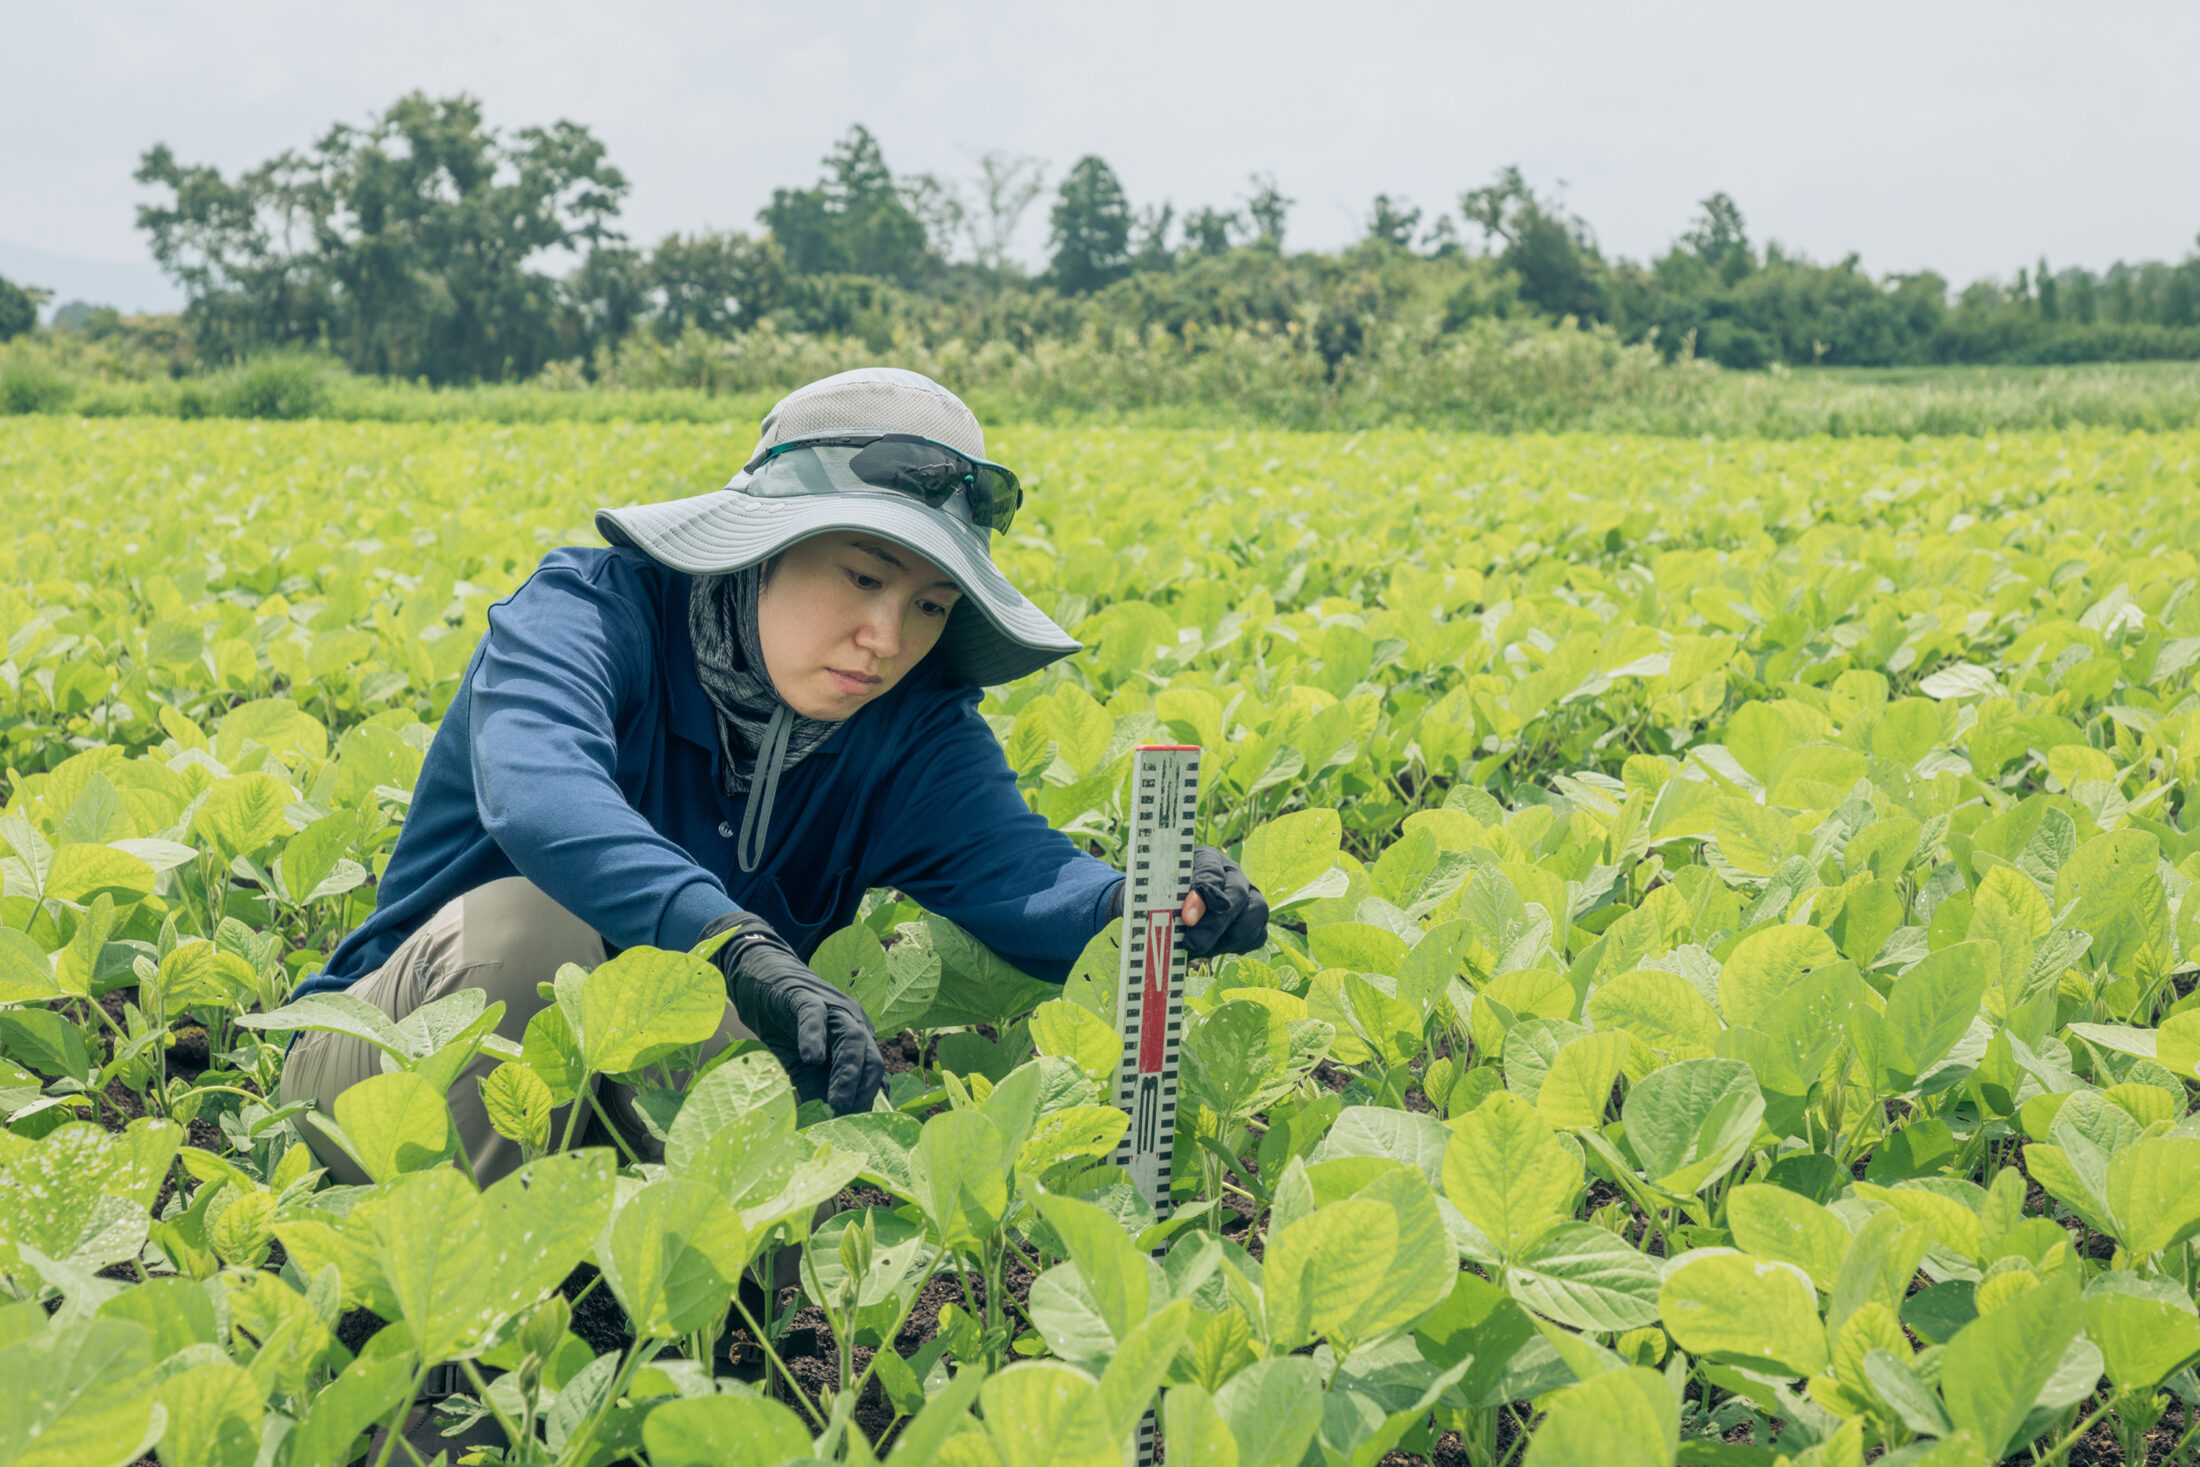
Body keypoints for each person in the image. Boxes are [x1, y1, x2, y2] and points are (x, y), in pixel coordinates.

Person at [279, 367, 1270, 1185]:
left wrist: (1146, 903)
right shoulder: (585, 617)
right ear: (761, 548)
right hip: (386, 1078)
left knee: (802, 1143)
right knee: (528, 933)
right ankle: (461, 1385)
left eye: (929, 606)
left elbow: (1016, 874)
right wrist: (737, 946)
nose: (886, 640)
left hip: (645, 1091)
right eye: (865, 577)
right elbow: (543, 800)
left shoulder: (909, 727)